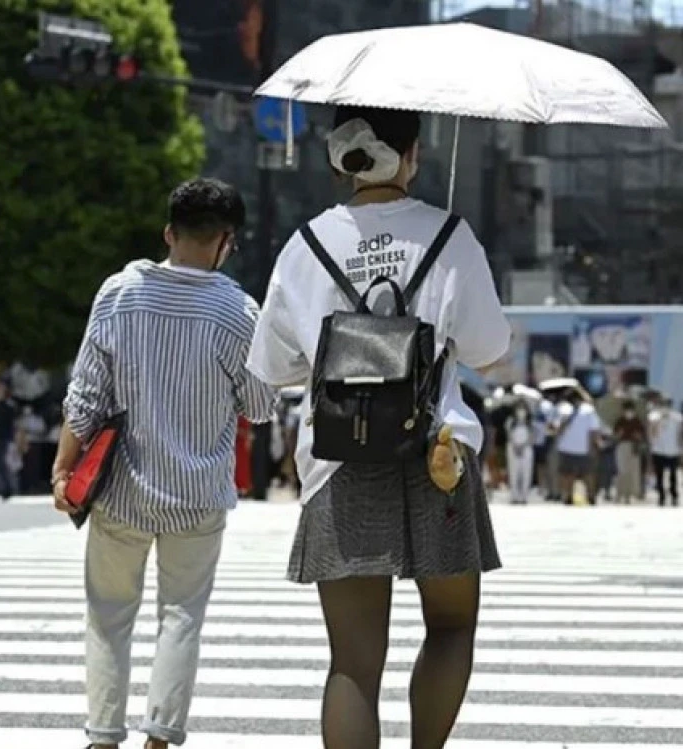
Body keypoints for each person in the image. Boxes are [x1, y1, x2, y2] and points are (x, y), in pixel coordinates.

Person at [245, 105, 510, 749]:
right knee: (450, 627)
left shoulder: (306, 245)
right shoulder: (449, 236)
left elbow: (273, 366)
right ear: (413, 154)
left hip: (339, 456)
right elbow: (486, 348)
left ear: (341, 157)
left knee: (353, 664)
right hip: (436, 450)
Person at [53, 178, 277, 749]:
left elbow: (85, 394)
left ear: (169, 233)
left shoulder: (118, 293)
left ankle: (104, 736)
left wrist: (63, 469)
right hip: (198, 494)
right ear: (225, 241)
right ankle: (160, 737)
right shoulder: (236, 311)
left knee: (108, 615)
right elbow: (261, 404)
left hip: (121, 489)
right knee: (180, 616)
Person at [552, 389, 601, 505]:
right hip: (583, 448)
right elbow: (593, 431)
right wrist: (593, 446)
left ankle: (568, 496)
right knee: (587, 474)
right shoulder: (589, 410)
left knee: (567, 474)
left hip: (565, 447)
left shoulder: (562, 409)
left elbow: (556, 429)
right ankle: (591, 496)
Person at [648, 396, 683, 506]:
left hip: (673, 449)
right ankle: (661, 496)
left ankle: (674, 495)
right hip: (658, 449)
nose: (665, 407)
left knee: (673, 475)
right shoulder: (653, 417)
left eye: (667, 404)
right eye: (663, 404)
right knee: (659, 475)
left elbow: (680, 433)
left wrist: (681, 448)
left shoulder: (678, 418)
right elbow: (651, 432)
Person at [613, 400, 647, 504]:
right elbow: (616, 435)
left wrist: (637, 436)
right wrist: (620, 433)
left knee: (633, 471)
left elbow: (642, 435)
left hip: (633, 447)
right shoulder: (620, 420)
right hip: (622, 445)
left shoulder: (637, 421)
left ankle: (629, 495)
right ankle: (620, 493)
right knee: (622, 470)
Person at [0, 379, 17, 500]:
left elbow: (12, 424)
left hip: (4, 437)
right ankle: (1, 487)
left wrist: (12, 438)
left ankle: (5, 488)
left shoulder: (8, 406)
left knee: (1, 462)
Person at [505, 403, 535, 505]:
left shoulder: (530, 422)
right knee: (514, 472)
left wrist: (523, 445)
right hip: (513, 448)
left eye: (523, 409)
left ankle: (524, 496)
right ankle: (514, 496)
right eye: (519, 409)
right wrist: (515, 446)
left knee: (526, 472)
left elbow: (532, 436)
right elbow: (508, 435)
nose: (521, 412)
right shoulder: (510, 421)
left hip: (526, 448)